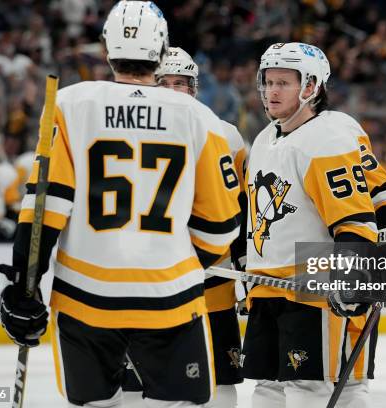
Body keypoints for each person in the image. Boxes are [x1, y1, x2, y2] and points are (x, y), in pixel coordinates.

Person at [0, 2, 241, 407]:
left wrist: (24, 283)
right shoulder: (199, 117)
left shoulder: (69, 104)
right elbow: (219, 227)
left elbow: (44, 208)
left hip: (84, 299)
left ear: (106, 47)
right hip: (170, 299)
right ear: (162, 52)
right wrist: (176, 261)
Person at [240, 42, 386, 408]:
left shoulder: (327, 138)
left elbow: (357, 214)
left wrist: (354, 273)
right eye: (268, 81)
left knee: (318, 387)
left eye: (283, 83)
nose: (272, 91)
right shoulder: (263, 140)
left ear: (311, 87)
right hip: (268, 287)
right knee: (268, 388)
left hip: (312, 287)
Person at [122, 46, 247, 408]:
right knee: (138, 380)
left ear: (194, 88)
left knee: (221, 377)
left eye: (182, 83)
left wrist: (243, 262)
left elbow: (241, 206)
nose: (175, 90)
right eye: (167, 82)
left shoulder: (227, 135)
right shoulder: (129, 132)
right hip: (148, 275)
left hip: (213, 275)